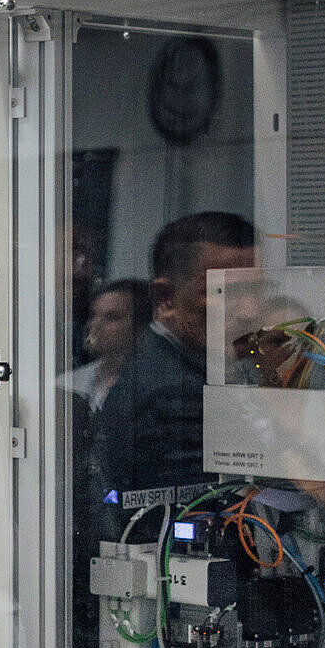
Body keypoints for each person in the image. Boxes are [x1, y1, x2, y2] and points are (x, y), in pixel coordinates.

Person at [92, 212, 256, 501]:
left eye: (257, 290)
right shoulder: (173, 393)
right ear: (165, 297)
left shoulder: (185, 367)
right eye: (227, 292)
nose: (250, 311)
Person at [63, 278, 153, 414]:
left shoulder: (157, 391)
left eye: (111, 317)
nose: (93, 325)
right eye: (93, 315)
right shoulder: (67, 385)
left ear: (140, 329)